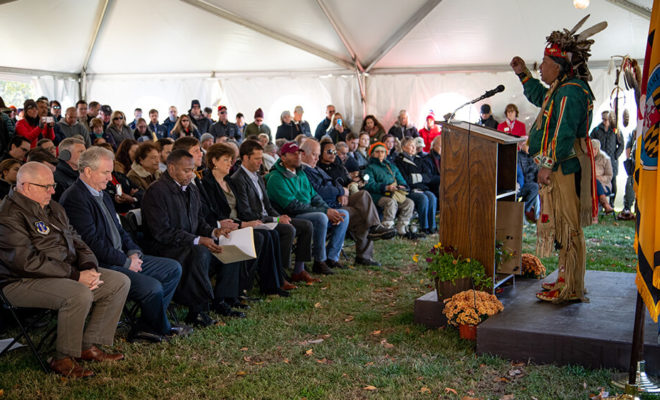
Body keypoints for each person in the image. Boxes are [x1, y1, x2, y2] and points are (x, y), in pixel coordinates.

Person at [0, 162, 130, 378]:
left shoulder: (52, 207)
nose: (53, 190)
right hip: (19, 281)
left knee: (118, 282)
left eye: (53, 185)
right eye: (47, 186)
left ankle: (88, 345)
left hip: (64, 273)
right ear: (26, 186)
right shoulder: (8, 216)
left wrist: (88, 266)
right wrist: (76, 276)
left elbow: (78, 241)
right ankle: (63, 358)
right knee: (77, 293)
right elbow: (26, 262)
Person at [510, 15, 606, 302]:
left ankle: (571, 286)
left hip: (565, 165)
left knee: (568, 226)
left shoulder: (570, 93)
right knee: (563, 227)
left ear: (560, 66)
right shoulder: (562, 89)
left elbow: (563, 133)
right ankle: (566, 279)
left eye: (544, 63)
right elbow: (542, 97)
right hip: (563, 164)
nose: (541, 68)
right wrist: (523, 73)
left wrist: (547, 165)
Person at [60, 147, 186, 343]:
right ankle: (161, 328)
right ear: (87, 171)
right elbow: (91, 244)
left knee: (172, 268)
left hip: (122, 257)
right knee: (152, 287)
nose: (111, 178)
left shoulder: (101, 194)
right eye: (106, 172)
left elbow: (120, 230)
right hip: (102, 264)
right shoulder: (75, 198)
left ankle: (146, 326)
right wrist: (126, 262)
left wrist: (134, 252)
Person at [142, 149, 240, 326]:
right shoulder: (156, 191)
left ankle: (223, 300)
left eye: (192, 169)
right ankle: (198, 311)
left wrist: (213, 232)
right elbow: (161, 232)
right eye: (186, 170)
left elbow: (199, 221)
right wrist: (198, 239)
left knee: (227, 246)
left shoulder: (192, 189)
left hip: (187, 243)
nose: (191, 174)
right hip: (163, 247)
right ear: (171, 169)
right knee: (199, 252)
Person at [200, 143, 293, 297]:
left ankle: (272, 285)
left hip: (238, 223)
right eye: (226, 160)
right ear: (214, 161)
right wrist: (244, 224)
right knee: (259, 237)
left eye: (231, 160)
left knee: (271, 234)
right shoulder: (208, 184)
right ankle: (243, 287)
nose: (230, 163)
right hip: (224, 228)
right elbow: (214, 212)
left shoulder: (228, 181)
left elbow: (242, 208)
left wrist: (246, 223)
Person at [231, 140, 318, 284]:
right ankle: (280, 274)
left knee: (306, 225)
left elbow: (268, 206)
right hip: (255, 222)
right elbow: (246, 213)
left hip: (267, 217)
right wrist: (276, 220)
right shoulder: (238, 179)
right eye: (257, 158)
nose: (261, 162)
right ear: (245, 158)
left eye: (261, 158)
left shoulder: (257, 177)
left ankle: (298, 270)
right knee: (287, 229)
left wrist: (280, 217)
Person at [304, 139, 395, 266]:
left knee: (363, 195)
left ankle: (370, 239)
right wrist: (341, 191)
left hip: (342, 198)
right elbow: (318, 191)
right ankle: (364, 246)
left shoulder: (335, 166)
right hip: (329, 204)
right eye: (329, 151)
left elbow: (334, 182)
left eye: (335, 151)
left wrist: (349, 186)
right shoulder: (311, 169)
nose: (333, 154)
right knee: (362, 214)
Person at [265, 142, 349, 275]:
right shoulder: (276, 178)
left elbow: (314, 196)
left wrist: (329, 209)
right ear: (283, 157)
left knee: (343, 213)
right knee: (321, 217)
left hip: (307, 210)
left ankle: (331, 257)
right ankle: (319, 261)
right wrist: (324, 212)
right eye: (293, 154)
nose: (298, 156)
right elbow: (292, 206)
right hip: (289, 215)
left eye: (299, 153)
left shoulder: (301, 174)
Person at [363, 142, 416, 238]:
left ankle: (402, 228)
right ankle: (387, 229)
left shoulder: (392, 167)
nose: (380, 154)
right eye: (377, 152)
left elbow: (402, 181)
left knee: (409, 203)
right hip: (377, 195)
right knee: (390, 202)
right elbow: (369, 185)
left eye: (383, 152)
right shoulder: (369, 168)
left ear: (386, 153)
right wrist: (386, 187)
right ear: (372, 154)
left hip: (394, 193)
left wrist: (401, 186)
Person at [395, 137, 437, 234]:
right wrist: (420, 177)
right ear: (404, 147)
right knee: (423, 199)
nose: (414, 148)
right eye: (411, 145)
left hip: (422, 188)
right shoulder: (399, 161)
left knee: (432, 197)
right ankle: (424, 227)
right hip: (409, 190)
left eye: (414, 145)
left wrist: (415, 177)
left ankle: (432, 226)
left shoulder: (419, 159)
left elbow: (428, 176)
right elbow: (405, 179)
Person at [589, 111, 624, 205]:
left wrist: (616, 155)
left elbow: (621, 145)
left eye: (606, 120)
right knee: (597, 179)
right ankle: (601, 202)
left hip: (612, 160)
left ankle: (611, 203)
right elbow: (589, 141)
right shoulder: (596, 130)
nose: (604, 122)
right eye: (603, 119)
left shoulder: (616, 130)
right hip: (599, 159)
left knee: (613, 180)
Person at [518, 142, 540, 223]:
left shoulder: (533, 156)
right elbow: (521, 174)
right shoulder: (518, 156)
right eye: (527, 145)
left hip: (532, 183)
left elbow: (536, 171)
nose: (529, 146)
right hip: (522, 184)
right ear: (521, 146)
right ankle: (524, 210)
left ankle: (537, 217)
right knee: (535, 189)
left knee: (537, 189)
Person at [591, 139, 614, 216]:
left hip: (604, 186)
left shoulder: (605, 159)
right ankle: (606, 205)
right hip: (588, 185)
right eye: (591, 149)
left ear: (598, 149)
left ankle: (605, 205)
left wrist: (599, 178)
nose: (593, 151)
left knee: (595, 182)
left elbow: (609, 176)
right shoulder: (586, 159)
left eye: (595, 149)